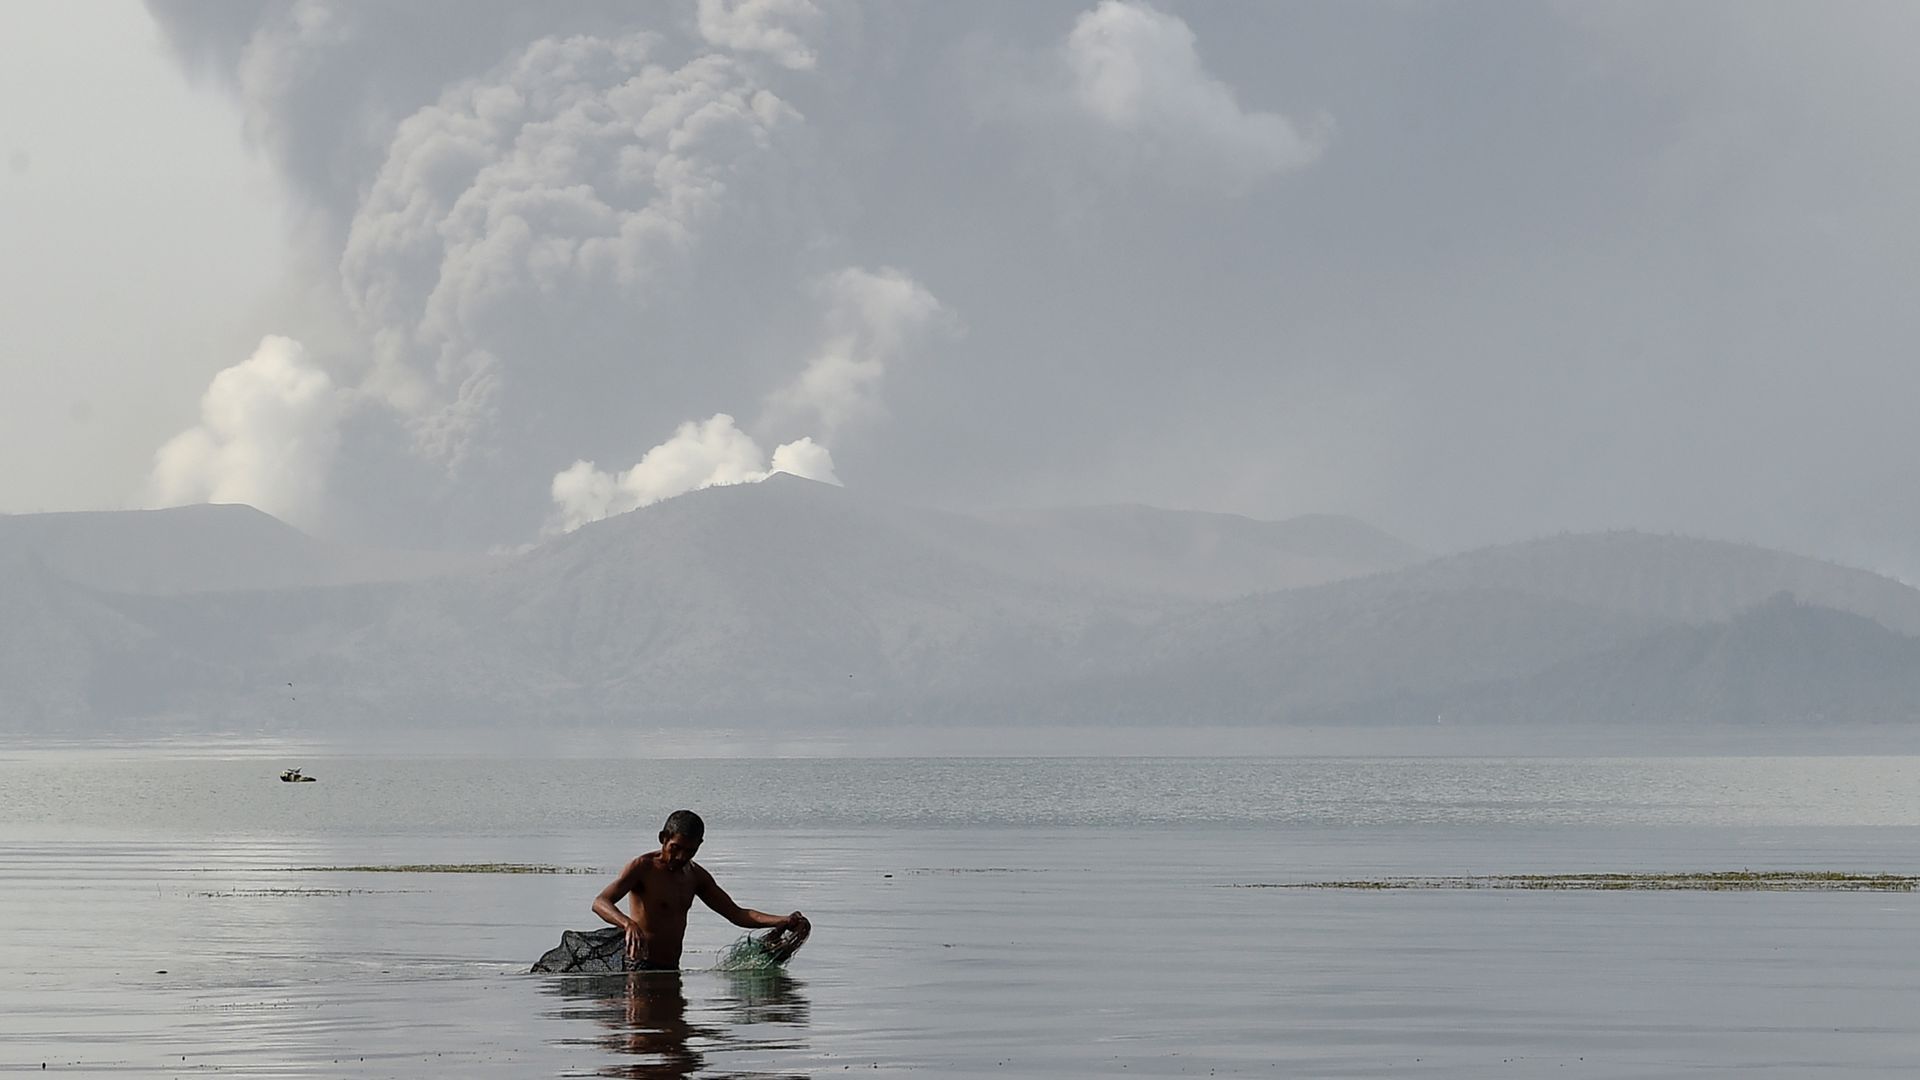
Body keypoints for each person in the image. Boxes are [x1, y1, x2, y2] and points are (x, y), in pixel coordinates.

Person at [592, 809, 809, 971]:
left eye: (690, 851)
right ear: (663, 839)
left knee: (678, 1032)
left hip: (671, 968)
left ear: (699, 845)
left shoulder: (696, 876)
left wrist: (782, 920)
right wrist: (628, 924)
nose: (680, 857)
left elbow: (736, 913)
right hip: (638, 966)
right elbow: (600, 902)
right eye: (674, 849)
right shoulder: (642, 867)